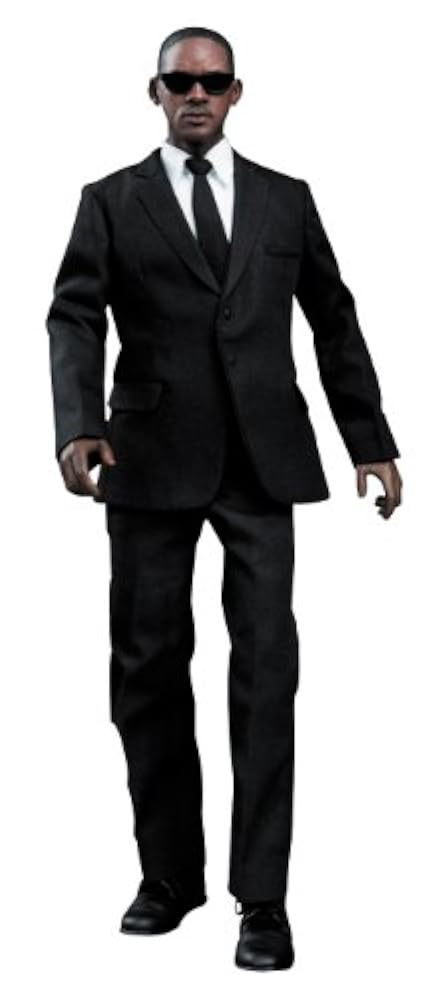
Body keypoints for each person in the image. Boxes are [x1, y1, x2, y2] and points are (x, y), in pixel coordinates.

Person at [46, 25, 402, 972]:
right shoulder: (111, 200)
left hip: (261, 459)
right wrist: (77, 423)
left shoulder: (286, 199)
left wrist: (370, 442)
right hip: (148, 458)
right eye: (181, 81)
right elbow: (74, 314)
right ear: (155, 92)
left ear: (237, 92)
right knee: (147, 670)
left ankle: (264, 899)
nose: (197, 95)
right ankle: (167, 877)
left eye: (214, 81)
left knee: (267, 673)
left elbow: (334, 319)